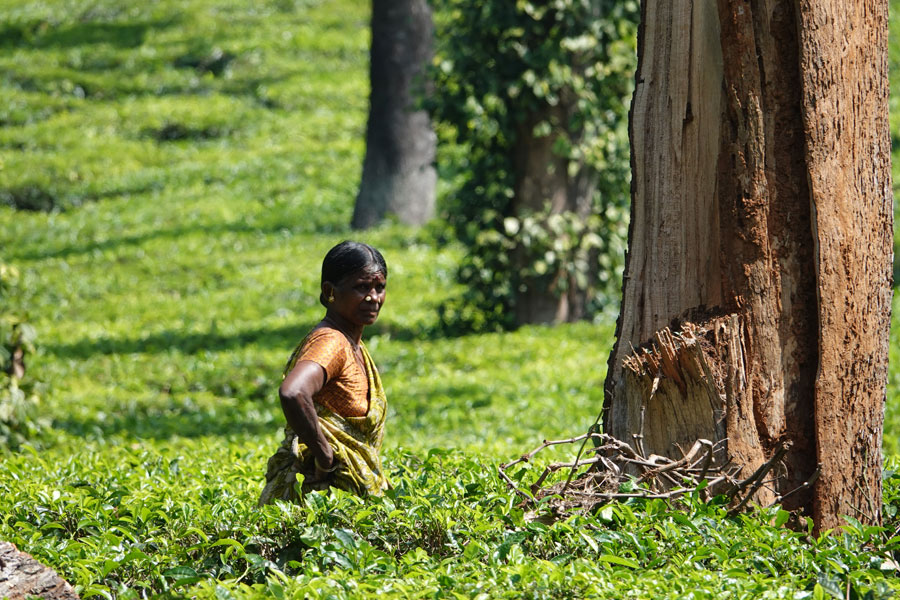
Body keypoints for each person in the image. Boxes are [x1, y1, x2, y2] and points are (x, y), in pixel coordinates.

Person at [259, 241, 390, 504]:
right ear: (330, 291)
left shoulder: (353, 344)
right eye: (361, 287)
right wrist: (325, 455)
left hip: (342, 502)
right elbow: (293, 392)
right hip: (318, 500)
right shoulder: (331, 342)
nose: (373, 297)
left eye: (380, 287)